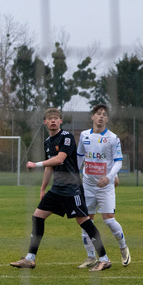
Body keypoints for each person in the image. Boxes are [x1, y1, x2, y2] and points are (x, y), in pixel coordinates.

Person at [10, 108, 112, 271]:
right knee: (37, 217)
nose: (53, 121)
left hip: (72, 189)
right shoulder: (47, 142)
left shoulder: (66, 137)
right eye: (49, 118)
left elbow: (59, 159)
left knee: (85, 222)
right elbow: (50, 167)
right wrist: (43, 189)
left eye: (56, 118)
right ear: (44, 122)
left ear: (60, 121)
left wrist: (35, 164)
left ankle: (104, 259)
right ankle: (30, 259)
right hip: (57, 189)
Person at [76, 104, 131, 268]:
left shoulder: (113, 138)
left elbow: (118, 161)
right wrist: (74, 176)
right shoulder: (84, 135)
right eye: (98, 114)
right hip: (87, 185)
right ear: (92, 117)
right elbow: (79, 157)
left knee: (109, 220)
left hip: (105, 186)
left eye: (104, 114)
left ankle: (123, 248)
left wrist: (109, 177)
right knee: (86, 221)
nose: (100, 116)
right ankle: (91, 257)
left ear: (107, 119)